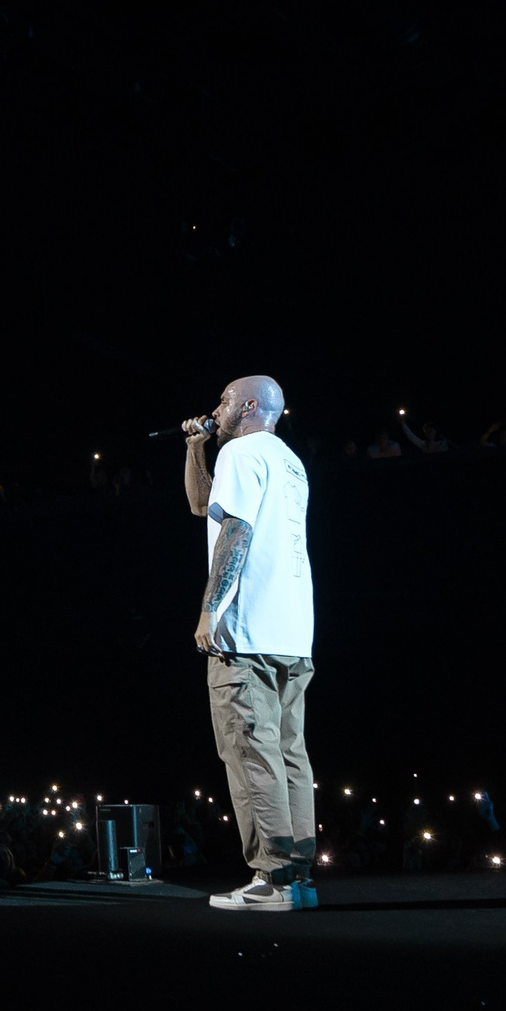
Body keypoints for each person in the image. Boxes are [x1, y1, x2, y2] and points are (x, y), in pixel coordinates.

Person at [182, 375, 319, 914]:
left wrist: (210, 608)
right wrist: (196, 447)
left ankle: (273, 878)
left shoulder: (241, 452)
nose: (216, 408)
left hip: (247, 631)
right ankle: (299, 879)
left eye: (223, 400)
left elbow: (234, 531)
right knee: (289, 757)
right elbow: (203, 507)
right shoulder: (288, 460)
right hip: (292, 633)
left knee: (249, 752)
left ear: (248, 406)